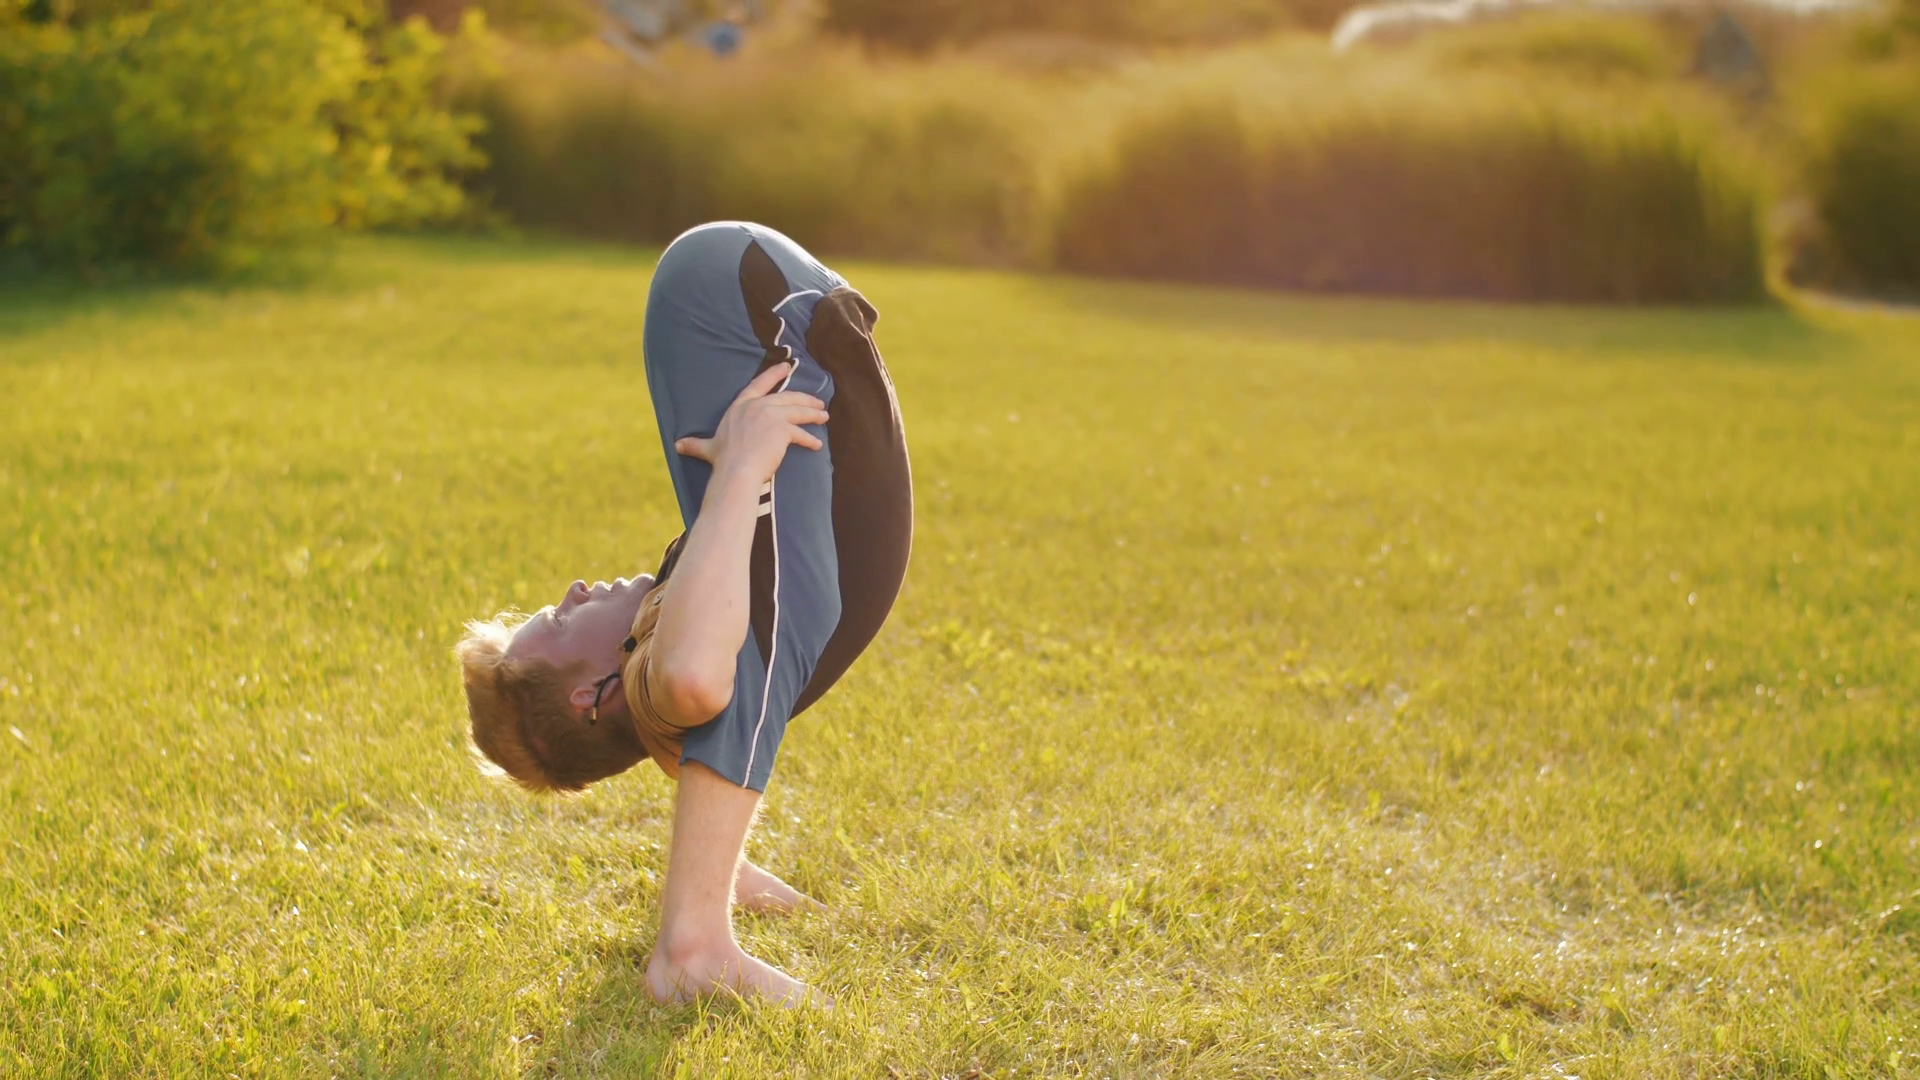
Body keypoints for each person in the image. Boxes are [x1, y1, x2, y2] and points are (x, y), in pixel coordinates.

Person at [455, 222, 912, 1007]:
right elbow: (690, 683)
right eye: (556, 623)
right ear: (588, 693)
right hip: (742, 304)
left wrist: (731, 869)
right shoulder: (676, 680)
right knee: (720, 669)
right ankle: (691, 946)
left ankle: (703, 911)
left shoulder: (682, 702)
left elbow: (683, 729)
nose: (571, 590)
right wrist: (739, 469)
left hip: (751, 303)